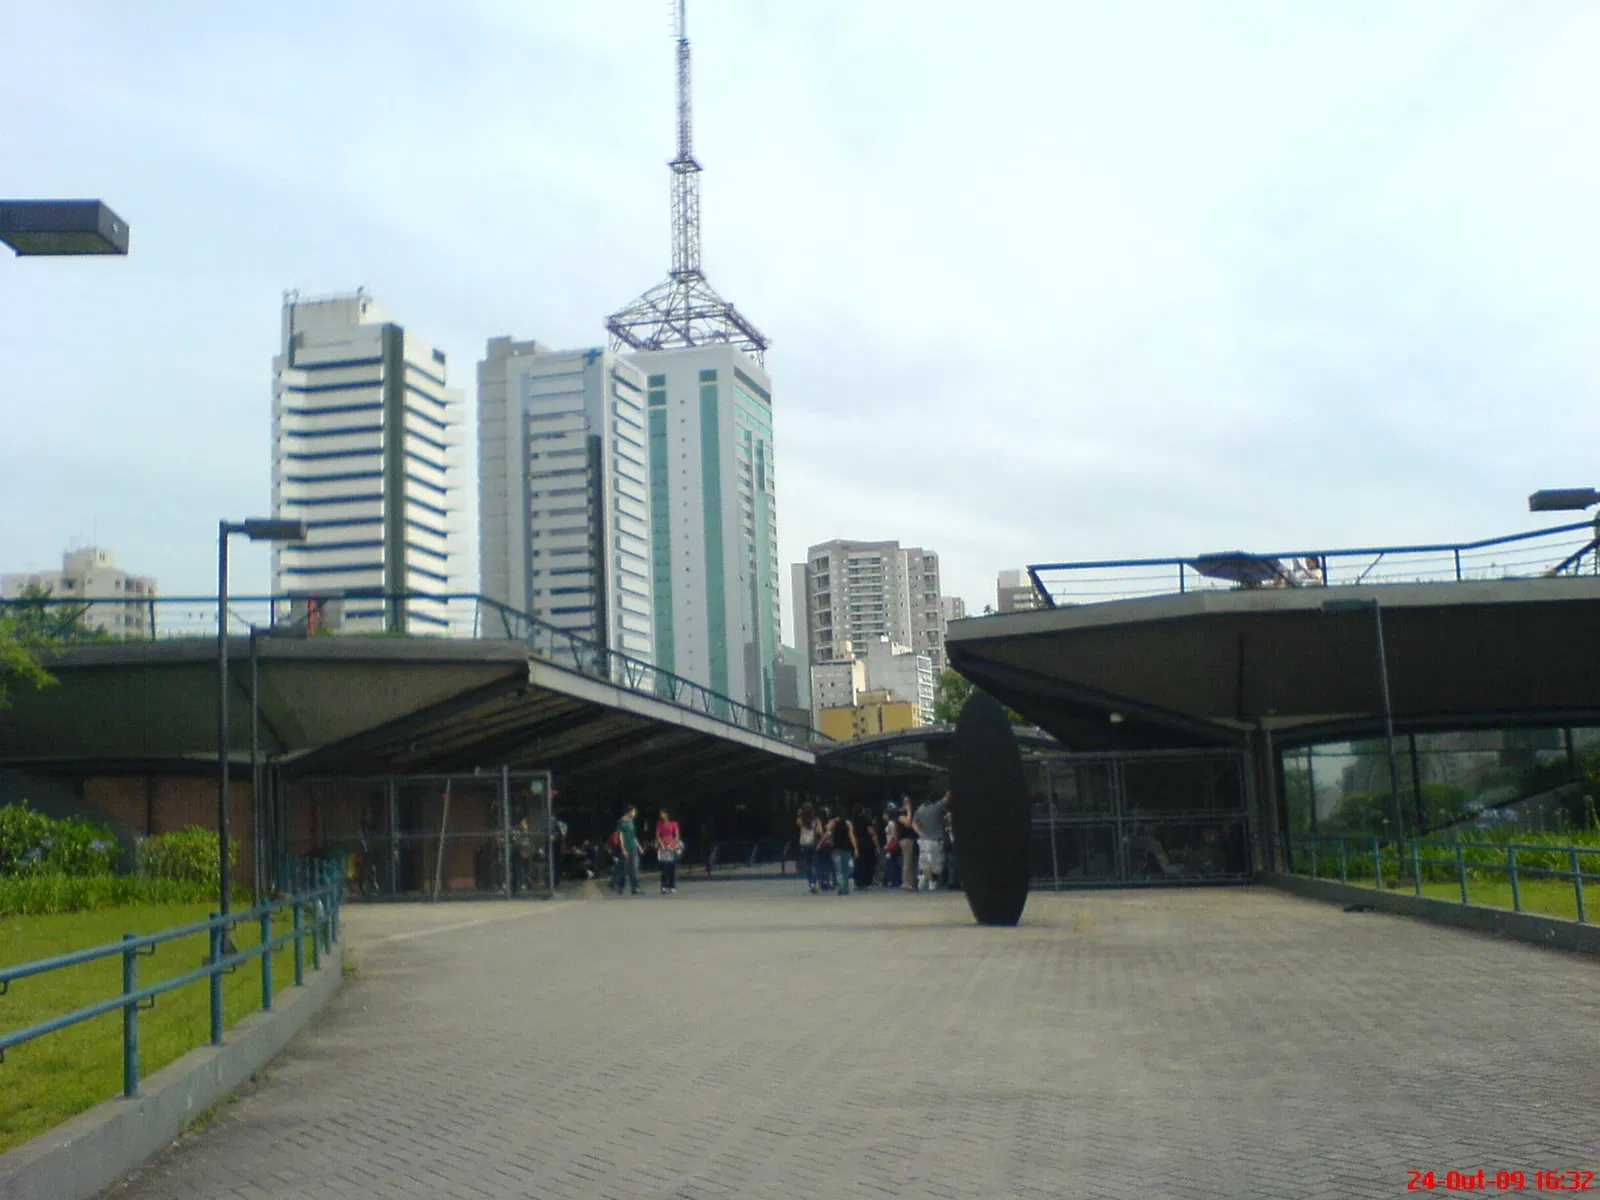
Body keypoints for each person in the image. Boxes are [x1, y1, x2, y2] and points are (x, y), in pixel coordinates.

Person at [913, 791, 951, 891]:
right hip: (937, 839)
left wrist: (920, 833)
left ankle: (926, 878)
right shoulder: (938, 806)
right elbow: (947, 798)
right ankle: (930, 880)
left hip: (924, 839)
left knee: (926, 861)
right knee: (937, 863)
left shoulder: (920, 809)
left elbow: (914, 823)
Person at [826, 808, 859, 896]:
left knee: (838, 869)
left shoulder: (833, 822)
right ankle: (845, 888)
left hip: (836, 848)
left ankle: (840, 888)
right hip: (847, 848)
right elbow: (851, 836)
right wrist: (855, 848)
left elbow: (828, 831)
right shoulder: (848, 823)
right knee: (845, 869)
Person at [611, 805, 642, 895]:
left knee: (634, 868)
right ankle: (620, 887)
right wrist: (623, 848)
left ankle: (635, 888)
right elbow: (620, 836)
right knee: (624, 869)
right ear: (629, 811)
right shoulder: (621, 821)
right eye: (634, 811)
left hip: (633, 848)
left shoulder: (632, 821)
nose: (635, 813)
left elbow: (633, 836)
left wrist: (639, 847)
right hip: (625, 848)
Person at [796, 802, 823, 893]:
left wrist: (800, 814)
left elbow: (797, 822)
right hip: (813, 843)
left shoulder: (801, 820)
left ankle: (810, 883)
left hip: (804, 844)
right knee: (814, 864)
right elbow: (820, 832)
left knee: (808, 864)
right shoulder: (816, 820)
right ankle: (814, 882)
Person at [656, 807, 683, 893]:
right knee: (663, 868)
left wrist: (671, 844)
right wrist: (662, 844)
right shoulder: (659, 824)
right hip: (663, 847)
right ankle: (663, 886)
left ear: (666, 814)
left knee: (672, 867)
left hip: (672, 847)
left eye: (662, 813)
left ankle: (671, 886)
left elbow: (677, 836)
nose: (661, 815)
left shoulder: (674, 823)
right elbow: (657, 835)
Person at [896, 797, 918, 892]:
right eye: (906, 802)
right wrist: (909, 811)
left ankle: (912, 882)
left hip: (913, 838)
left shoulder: (913, 812)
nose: (908, 804)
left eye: (909, 801)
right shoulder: (900, 814)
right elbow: (908, 823)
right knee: (907, 861)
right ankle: (906, 882)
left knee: (913, 862)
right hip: (905, 839)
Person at [882, 804, 902, 889]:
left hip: (890, 845)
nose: (883, 816)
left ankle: (894, 880)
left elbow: (893, 835)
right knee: (893, 862)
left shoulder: (891, 823)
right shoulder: (892, 823)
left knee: (890, 863)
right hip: (891, 845)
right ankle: (895, 880)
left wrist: (888, 845)